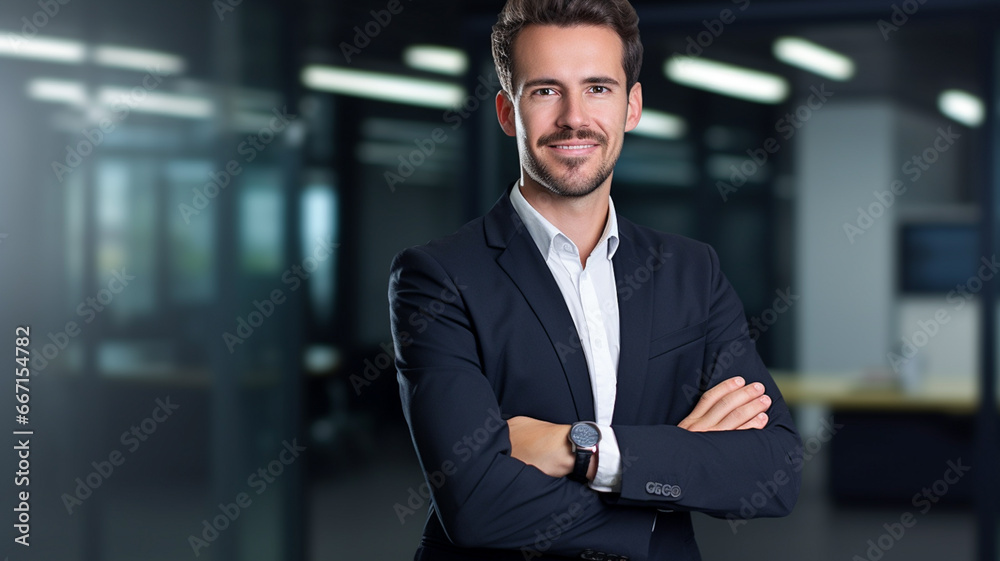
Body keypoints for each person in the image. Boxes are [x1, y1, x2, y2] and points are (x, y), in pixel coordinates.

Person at [388, 1, 801, 559]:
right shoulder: (438, 277)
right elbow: (476, 503)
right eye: (545, 91)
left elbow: (774, 472)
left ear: (632, 106)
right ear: (508, 112)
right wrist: (666, 476)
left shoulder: (690, 270)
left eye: (598, 89)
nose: (574, 118)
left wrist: (586, 449)